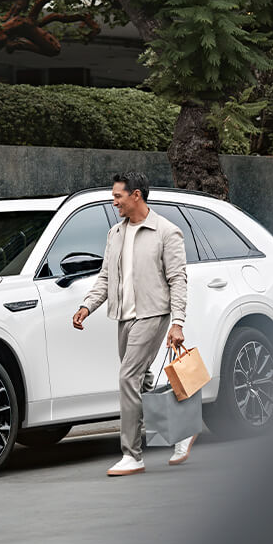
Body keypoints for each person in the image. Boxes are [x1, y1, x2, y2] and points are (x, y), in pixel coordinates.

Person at [72, 171, 194, 476]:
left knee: (128, 377)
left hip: (153, 314)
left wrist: (176, 323)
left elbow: (178, 280)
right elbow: (105, 277)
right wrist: (87, 305)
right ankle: (181, 430)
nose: (114, 202)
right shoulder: (115, 233)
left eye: (118, 196)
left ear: (136, 195)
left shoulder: (167, 232)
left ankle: (132, 453)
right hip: (124, 316)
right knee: (141, 381)